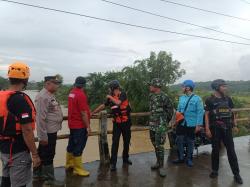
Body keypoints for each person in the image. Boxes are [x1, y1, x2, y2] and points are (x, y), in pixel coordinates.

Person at [0, 62, 41, 187]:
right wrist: (35, 154)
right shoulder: (20, 100)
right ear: (25, 79)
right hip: (18, 150)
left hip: (4, 148)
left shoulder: (2, 95)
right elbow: (27, 130)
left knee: (6, 179)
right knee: (19, 184)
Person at [205, 79, 243, 184]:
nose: (225, 88)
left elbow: (233, 112)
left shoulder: (228, 99)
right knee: (215, 150)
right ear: (217, 87)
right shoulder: (209, 100)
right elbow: (207, 114)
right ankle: (215, 170)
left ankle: (236, 174)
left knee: (231, 151)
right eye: (223, 86)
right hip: (215, 129)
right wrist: (207, 129)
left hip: (227, 129)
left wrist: (235, 124)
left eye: (225, 86)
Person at [92, 80, 132, 171]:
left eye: (110, 88)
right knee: (115, 142)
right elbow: (103, 105)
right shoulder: (110, 98)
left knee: (126, 141)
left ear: (114, 88)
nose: (109, 90)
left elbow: (118, 103)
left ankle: (125, 158)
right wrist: (93, 112)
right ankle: (113, 163)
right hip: (117, 123)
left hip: (126, 122)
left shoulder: (123, 94)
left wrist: (110, 96)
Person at [34, 75, 64, 186]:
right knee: (49, 154)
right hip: (47, 132)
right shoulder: (43, 97)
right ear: (47, 84)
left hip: (51, 130)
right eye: (55, 83)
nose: (57, 85)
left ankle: (38, 175)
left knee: (42, 153)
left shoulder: (50, 95)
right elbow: (40, 118)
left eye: (58, 83)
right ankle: (50, 181)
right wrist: (43, 137)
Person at [172, 80, 204, 167]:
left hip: (192, 124)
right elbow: (178, 110)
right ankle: (181, 158)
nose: (181, 88)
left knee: (190, 141)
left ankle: (189, 158)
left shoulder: (197, 99)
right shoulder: (181, 98)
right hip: (181, 123)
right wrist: (175, 120)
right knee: (179, 140)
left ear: (188, 88)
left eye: (183, 86)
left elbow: (200, 112)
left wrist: (198, 125)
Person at [65, 76, 91, 176]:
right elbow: (83, 113)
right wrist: (88, 126)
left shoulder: (71, 93)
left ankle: (69, 164)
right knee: (79, 146)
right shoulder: (81, 95)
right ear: (83, 85)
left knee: (71, 145)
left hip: (72, 124)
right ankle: (78, 169)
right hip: (79, 125)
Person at [148, 78, 174, 177]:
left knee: (160, 146)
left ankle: (162, 166)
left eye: (151, 85)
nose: (150, 87)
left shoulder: (164, 97)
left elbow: (170, 110)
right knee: (154, 144)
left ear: (156, 86)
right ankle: (158, 162)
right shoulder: (151, 96)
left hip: (161, 126)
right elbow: (151, 109)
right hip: (152, 125)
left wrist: (164, 122)